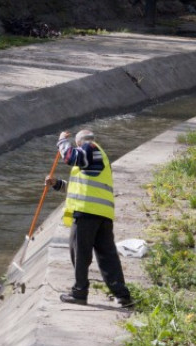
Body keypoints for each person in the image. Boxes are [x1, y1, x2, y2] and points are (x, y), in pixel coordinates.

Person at [45, 129, 134, 307]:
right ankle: (122, 295)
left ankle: (79, 292)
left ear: (80, 143)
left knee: (79, 253)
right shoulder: (98, 157)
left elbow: (70, 157)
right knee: (107, 255)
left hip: (87, 213)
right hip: (102, 214)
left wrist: (62, 141)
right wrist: (57, 184)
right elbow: (80, 187)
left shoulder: (90, 148)